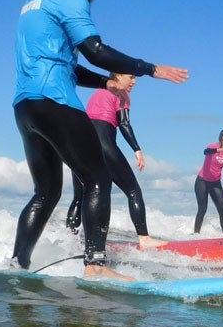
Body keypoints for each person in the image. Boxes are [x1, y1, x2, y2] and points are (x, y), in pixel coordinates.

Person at [11, 0, 188, 280]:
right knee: (98, 179)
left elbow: (68, 67)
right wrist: (150, 68)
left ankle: (17, 266)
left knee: (46, 193)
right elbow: (96, 51)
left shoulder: (32, 4)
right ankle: (96, 265)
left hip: (25, 107)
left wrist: (106, 85)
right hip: (56, 100)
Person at [64, 72, 166, 248]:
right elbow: (124, 123)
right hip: (102, 141)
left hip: (78, 142)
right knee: (133, 190)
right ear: (117, 76)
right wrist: (137, 149)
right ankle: (144, 238)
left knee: (80, 196)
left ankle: (69, 241)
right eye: (131, 77)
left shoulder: (98, 91)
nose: (134, 82)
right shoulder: (122, 93)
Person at [193, 128, 223, 236]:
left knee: (222, 210)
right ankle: (196, 234)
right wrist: (219, 150)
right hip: (202, 181)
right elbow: (205, 152)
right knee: (202, 209)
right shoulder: (213, 146)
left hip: (215, 183)